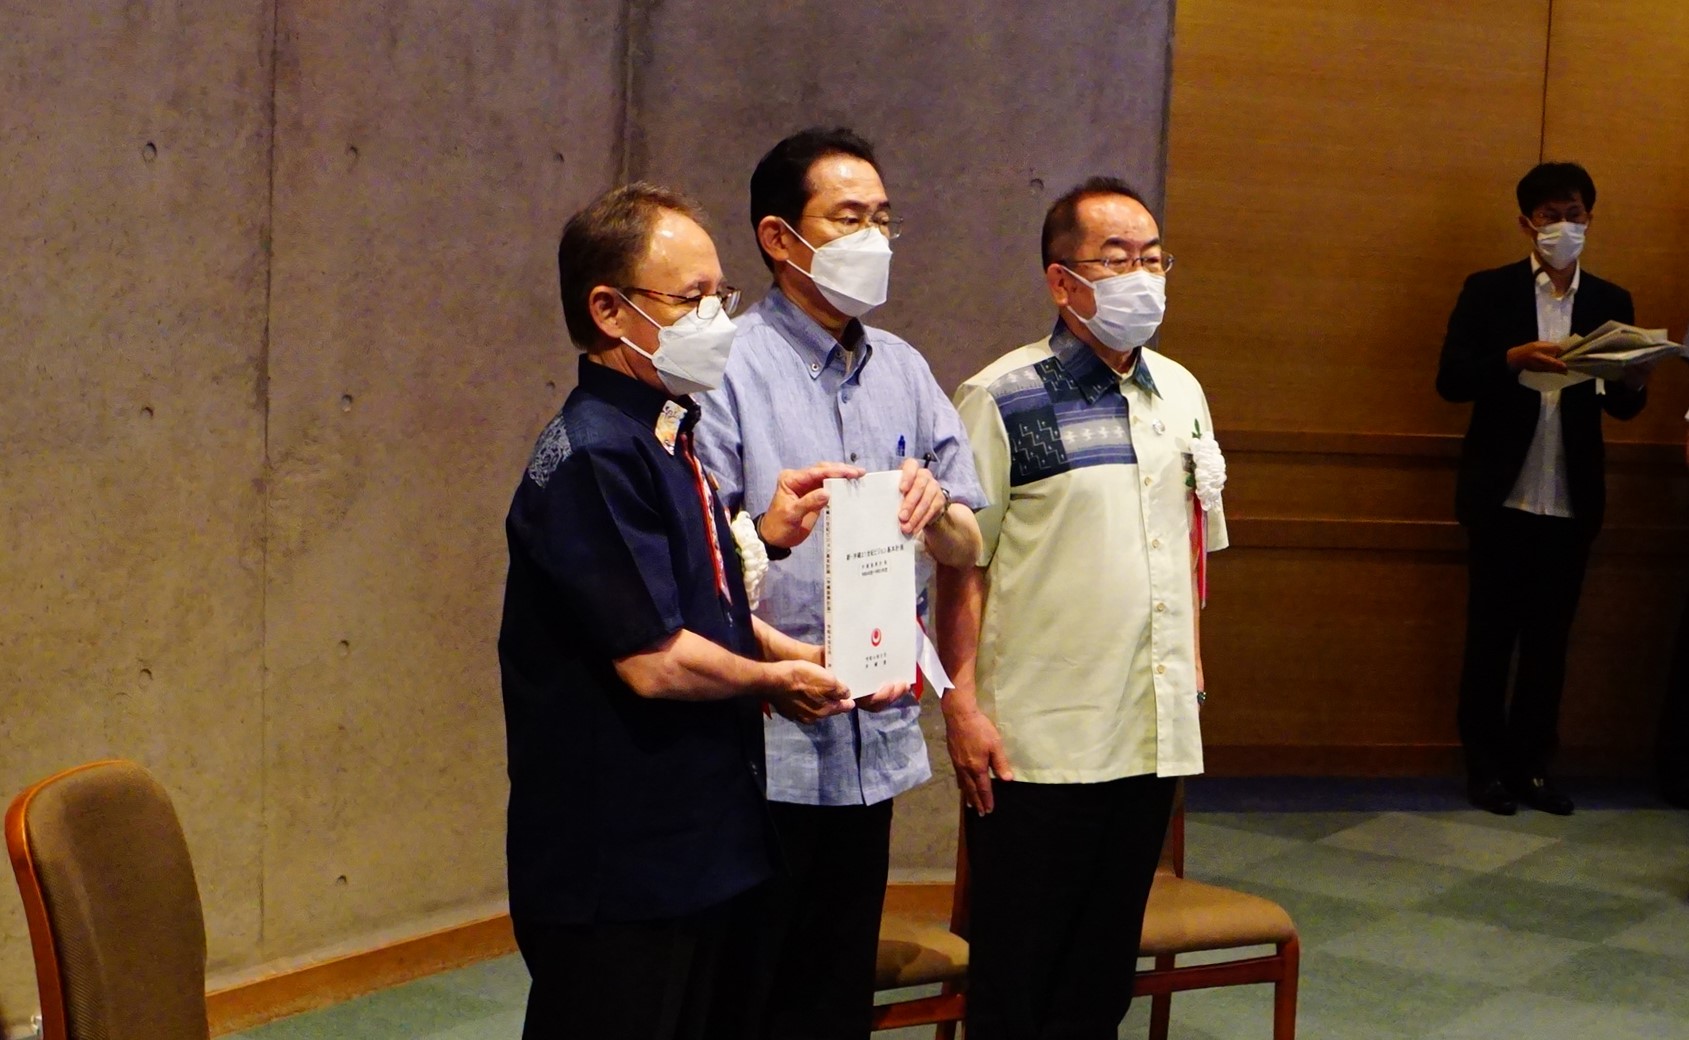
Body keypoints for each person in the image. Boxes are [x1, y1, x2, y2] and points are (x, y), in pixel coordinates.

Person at [498, 182, 880, 1040]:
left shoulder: (666, 432)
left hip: (699, 839)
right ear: (608, 310)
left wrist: (798, 655)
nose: (715, 320)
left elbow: (703, 605)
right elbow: (655, 657)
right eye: (691, 299)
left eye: (720, 295)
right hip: (620, 857)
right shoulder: (595, 454)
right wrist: (774, 682)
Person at [693, 127, 985, 1040]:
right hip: (762, 741)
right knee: (747, 998)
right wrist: (779, 660)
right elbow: (699, 570)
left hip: (870, 736)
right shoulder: (724, 369)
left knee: (831, 998)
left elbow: (969, 542)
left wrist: (935, 508)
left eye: (882, 219)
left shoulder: (902, 367)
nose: (873, 239)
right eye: (848, 218)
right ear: (779, 238)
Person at [939, 176, 1225, 1040]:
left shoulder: (1182, 392)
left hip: (1147, 730)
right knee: (1018, 978)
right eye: (1117, 259)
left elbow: (1189, 550)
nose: (1142, 276)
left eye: (1153, 259)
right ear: (1061, 282)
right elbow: (962, 562)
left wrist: (1191, 671)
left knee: (1100, 978)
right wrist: (960, 703)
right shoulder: (1001, 396)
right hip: (1037, 744)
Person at [1437, 162, 1651, 817]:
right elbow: (1450, 380)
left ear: (1590, 219)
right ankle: (1485, 771)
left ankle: (1532, 768)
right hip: (1501, 495)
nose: (1564, 226)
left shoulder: (1610, 300)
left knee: (1548, 645)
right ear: (1526, 222)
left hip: (1570, 496)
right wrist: (1510, 360)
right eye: (1551, 215)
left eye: (1574, 215)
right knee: (1489, 639)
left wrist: (1636, 379)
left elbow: (1623, 408)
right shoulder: (1488, 290)